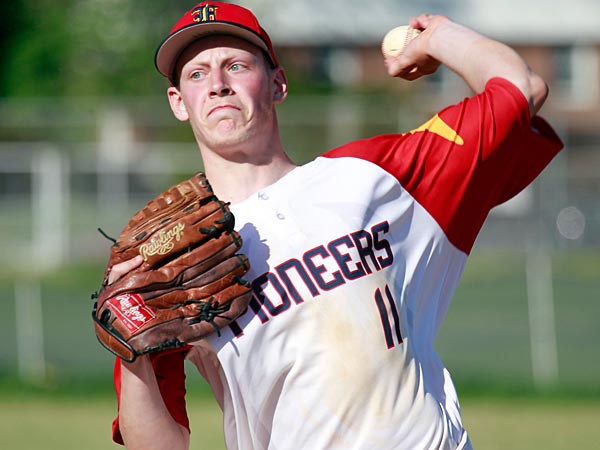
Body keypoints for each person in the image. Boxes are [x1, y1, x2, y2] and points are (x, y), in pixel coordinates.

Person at [106, 2, 563, 449]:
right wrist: (132, 357)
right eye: (197, 74)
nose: (218, 85)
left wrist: (438, 34)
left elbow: (521, 87)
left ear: (277, 83)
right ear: (178, 102)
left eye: (237, 65)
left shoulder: (371, 176)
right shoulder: (168, 259)